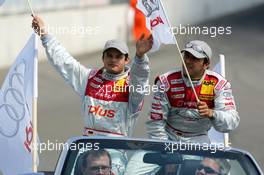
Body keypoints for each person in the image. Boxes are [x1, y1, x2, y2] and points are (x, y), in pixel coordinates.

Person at [32, 15, 153, 175]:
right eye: (109, 55)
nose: (113, 59)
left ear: (126, 60)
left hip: (115, 151)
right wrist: (45, 35)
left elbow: (140, 80)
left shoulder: (132, 88)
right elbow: (65, 62)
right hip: (87, 147)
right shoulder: (89, 78)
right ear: (103, 58)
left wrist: (140, 58)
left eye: (118, 56)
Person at [146, 40, 240, 143]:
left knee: (210, 159)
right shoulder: (165, 82)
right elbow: (155, 121)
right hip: (169, 137)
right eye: (187, 56)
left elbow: (232, 121)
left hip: (199, 139)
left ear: (206, 64)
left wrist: (211, 113)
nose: (188, 61)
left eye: (195, 58)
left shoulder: (219, 84)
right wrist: (164, 147)